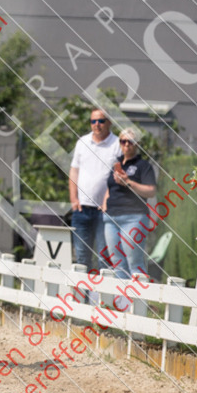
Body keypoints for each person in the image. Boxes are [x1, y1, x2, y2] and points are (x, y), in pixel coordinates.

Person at [69, 108, 122, 269]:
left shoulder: (117, 144)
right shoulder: (82, 142)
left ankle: (103, 295)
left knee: (104, 260)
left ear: (109, 123)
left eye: (101, 121)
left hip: (105, 212)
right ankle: (81, 295)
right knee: (81, 260)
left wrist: (107, 200)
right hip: (81, 210)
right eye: (93, 121)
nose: (97, 124)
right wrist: (74, 199)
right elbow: (74, 170)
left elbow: (118, 175)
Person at [101, 128, 156, 279]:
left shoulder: (143, 166)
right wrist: (104, 204)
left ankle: (139, 301)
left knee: (135, 262)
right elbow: (110, 187)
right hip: (111, 218)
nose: (126, 145)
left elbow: (151, 191)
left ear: (137, 144)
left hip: (134, 217)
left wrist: (129, 182)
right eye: (122, 141)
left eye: (130, 141)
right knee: (117, 263)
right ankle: (123, 302)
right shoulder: (116, 164)